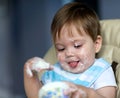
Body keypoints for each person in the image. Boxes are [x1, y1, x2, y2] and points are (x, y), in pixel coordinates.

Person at [24, 2, 117, 98]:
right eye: (61, 49)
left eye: (77, 46)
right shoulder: (53, 73)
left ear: (96, 44)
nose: (68, 53)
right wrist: (31, 75)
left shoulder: (101, 71)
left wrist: (88, 93)